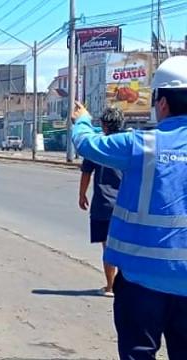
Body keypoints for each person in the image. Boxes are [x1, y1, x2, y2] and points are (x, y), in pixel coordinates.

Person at [71, 55, 187, 359]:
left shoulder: (142, 145)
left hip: (140, 282)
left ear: (161, 103)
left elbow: (87, 145)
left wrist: (82, 119)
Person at [78, 107, 123, 297]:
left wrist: (82, 195)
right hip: (125, 206)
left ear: (103, 125)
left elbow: (86, 173)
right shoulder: (127, 145)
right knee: (124, 247)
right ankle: (124, 287)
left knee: (107, 248)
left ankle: (110, 286)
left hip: (103, 205)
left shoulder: (97, 146)